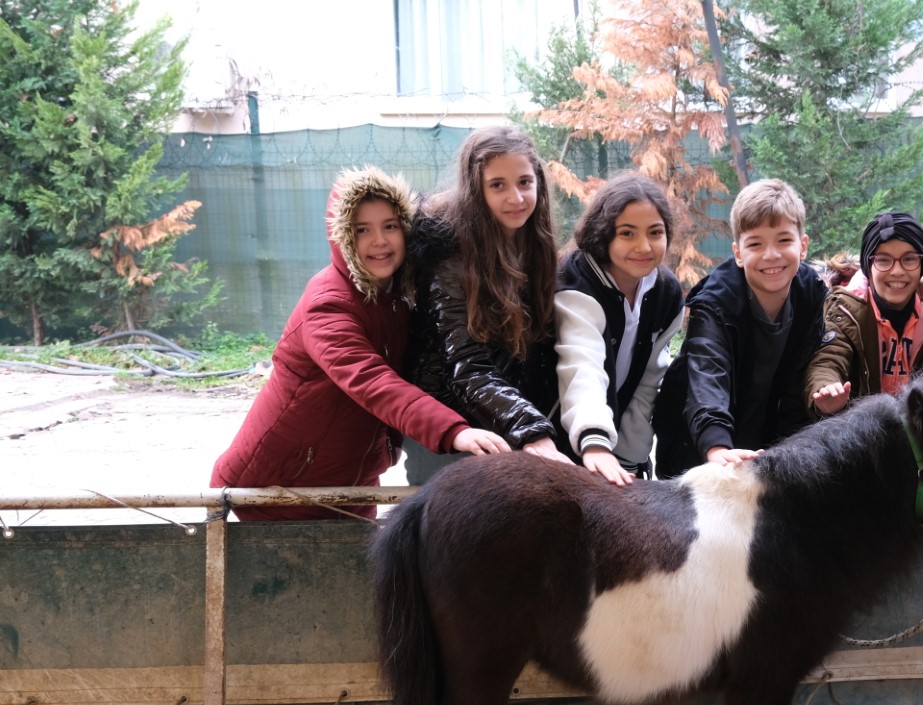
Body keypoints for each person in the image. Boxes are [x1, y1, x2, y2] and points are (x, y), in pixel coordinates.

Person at [210, 166, 508, 521]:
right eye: (361, 230)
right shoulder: (328, 303)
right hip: (279, 486)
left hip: (350, 480)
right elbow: (374, 383)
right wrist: (452, 431)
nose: (379, 241)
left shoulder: (396, 298)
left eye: (390, 226)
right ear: (342, 237)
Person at [403, 124, 569, 484]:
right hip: (448, 434)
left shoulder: (533, 245)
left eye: (525, 182)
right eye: (498, 185)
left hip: (499, 420)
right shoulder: (448, 252)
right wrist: (531, 429)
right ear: (476, 190)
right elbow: (465, 363)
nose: (516, 197)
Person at [652, 179, 828, 478]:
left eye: (784, 240)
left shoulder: (812, 294)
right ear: (738, 252)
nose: (771, 255)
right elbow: (708, 375)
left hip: (768, 446)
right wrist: (716, 447)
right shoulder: (715, 304)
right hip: (697, 446)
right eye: (756, 244)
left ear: (803, 246)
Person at [553, 172, 684, 485]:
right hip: (557, 439)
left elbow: (647, 382)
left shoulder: (665, 293)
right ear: (603, 234)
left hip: (608, 449)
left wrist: (630, 460)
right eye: (627, 233)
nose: (644, 246)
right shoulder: (577, 285)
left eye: (655, 232)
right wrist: (595, 442)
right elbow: (582, 367)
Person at [804, 211, 923, 416]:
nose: (897, 271)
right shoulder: (846, 310)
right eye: (884, 260)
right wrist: (826, 387)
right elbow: (829, 358)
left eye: (909, 260)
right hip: (866, 432)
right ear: (868, 266)